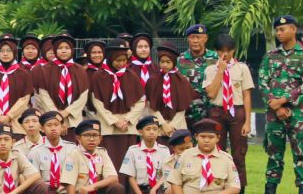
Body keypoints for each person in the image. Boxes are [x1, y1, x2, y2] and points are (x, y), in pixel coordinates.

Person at [256, 14, 303, 194]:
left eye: (283, 29)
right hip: (274, 114)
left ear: (294, 29)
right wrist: (275, 105)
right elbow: (262, 82)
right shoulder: (270, 56)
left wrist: (284, 102)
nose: (279, 33)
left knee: (301, 153)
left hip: (297, 114)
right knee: (274, 153)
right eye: (277, 30)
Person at [203, 33, 254, 194]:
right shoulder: (211, 69)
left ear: (234, 50)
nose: (225, 54)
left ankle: (240, 192)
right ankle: (218, 189)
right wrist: (220, 71)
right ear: (216, 51)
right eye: (222, 51)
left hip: (237, 111)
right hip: (217, 112)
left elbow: (247, 95)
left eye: (229, 50)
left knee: (239, 153)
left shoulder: (241, 68)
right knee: (218, 152)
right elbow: (211, 93)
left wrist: (247, 121)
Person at [168, 118, 240, 194]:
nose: (206, 140)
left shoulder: (226, 159)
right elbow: (175, 183)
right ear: (196, 137)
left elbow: (235, 187)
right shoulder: (185, 156)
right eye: (203, 137)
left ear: (218, 138)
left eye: (211, 137)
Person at [60, 119, 125, 194]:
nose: (91, 139)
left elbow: (113, 178)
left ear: (100, 138)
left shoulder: (102, 153)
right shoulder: (73, 155)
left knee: (117, 188)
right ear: (78, 138)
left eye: (95, 135)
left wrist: (92, 187)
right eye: (87, 135)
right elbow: (69, 186)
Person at [90, 41, 145, 169]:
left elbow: (141, 101)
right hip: (108, 127)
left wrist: (126, 119)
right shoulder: (99, 76)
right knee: (109, 163)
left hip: (128, 128)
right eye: (117, 60)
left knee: (127, 164)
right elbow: (97, 101)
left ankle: (127, 189)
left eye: (124, 60)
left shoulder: (131, 75)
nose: (121, 64)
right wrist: (114, 121)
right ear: (110, 59)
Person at [121, 115, 173, 194]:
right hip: (142, 190)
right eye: (148, 129)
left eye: (155, 129)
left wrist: (154, 190)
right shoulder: (133, 151)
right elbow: (131, 177)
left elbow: (166, 174)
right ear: (140, 132)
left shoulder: (164, 150)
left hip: (159, 189)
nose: (152, 132)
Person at [33, 34, 90, 125]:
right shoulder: (45, 69)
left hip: (73, 120)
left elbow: (83, 95)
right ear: (55, 50)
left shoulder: (80, 70)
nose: (63, 51)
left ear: (72, 50)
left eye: (67, 48)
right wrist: (57, 115)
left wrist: (66, 112)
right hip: (52, 120)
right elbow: (43, 95)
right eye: (60, 48)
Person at [148, 44, 196, 136]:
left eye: (168, 62)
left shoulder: (181, 80)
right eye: (162, 62)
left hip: (178, 127)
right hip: (157, 128)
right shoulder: (153, 79)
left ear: (174, 62)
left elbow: (183, 106)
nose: (164, 65)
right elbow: (152, 105)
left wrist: (172, 125)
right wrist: (163, 124)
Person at [176, 24, 218, 125]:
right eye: (192, 37)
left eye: (198, 37)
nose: (195, 41)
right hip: (189, 112)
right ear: (188, 39)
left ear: (205, 38)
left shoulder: (216, 58)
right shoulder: (180, 60)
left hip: (212, 109)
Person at [158, 129, 193, 194]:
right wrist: (171, 186)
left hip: (190, 192)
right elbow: (168, 182)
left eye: (188, 148)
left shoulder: (199, 159)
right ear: (173, 148)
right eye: (181, 149)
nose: (185, 152)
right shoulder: (168, 162)